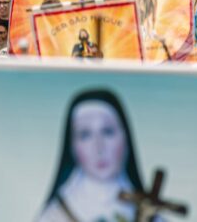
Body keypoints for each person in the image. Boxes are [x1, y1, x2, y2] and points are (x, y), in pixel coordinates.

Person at [37, 90, 146, 222]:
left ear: (126, 138)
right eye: (85, 135)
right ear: (72, 147)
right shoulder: (55, 215)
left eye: (108, 132)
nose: (99, 148)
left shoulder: (147, 210)